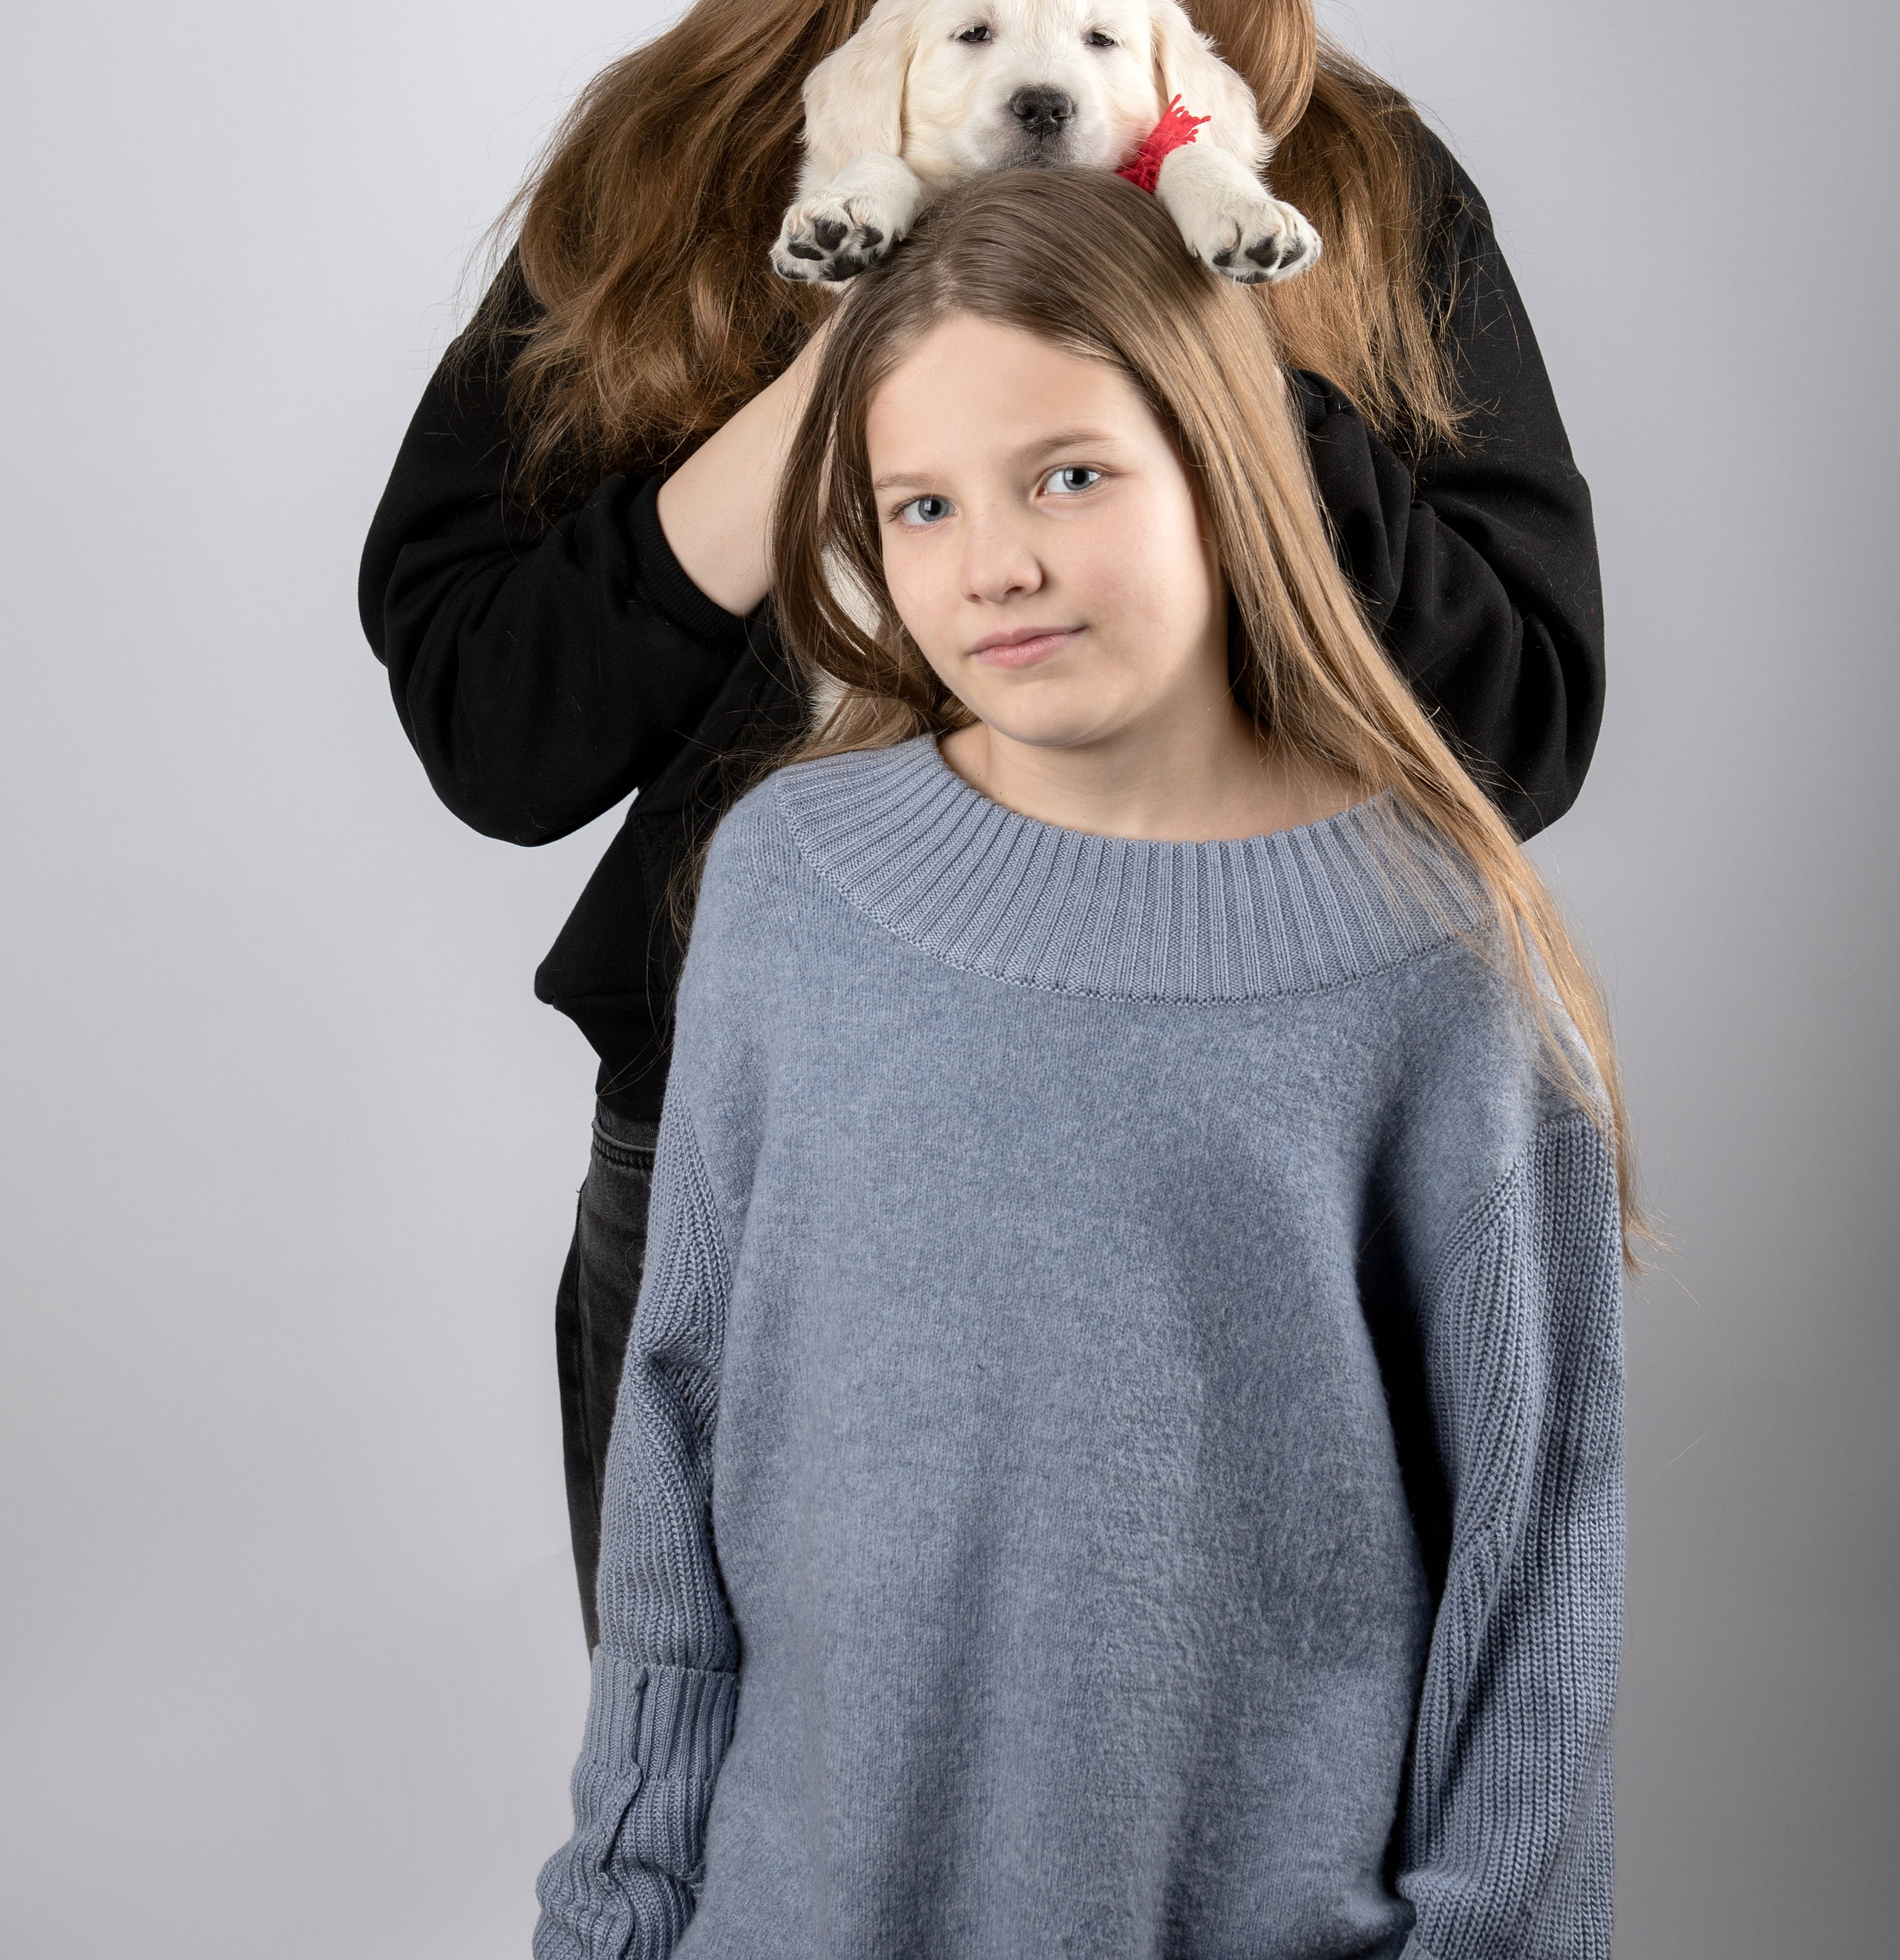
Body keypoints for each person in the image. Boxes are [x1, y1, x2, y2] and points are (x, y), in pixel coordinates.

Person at [357, 0, 1605, 1644]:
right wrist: (835, 388)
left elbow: (1521, 718)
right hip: (757, 1142)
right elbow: (490, 721)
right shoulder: (666, 170)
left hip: (1231, 1144)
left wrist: (1204, 342)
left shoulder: (1344, 184)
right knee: (742, 1778)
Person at [533, 167, 1631, 1960]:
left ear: (1223, 461)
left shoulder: (1437, 960)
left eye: (1067, 475)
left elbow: (1531, 1581)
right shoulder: (788, 886)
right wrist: (617, 1918)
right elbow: (675, 1461)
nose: (996, 564)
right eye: (920, 505)